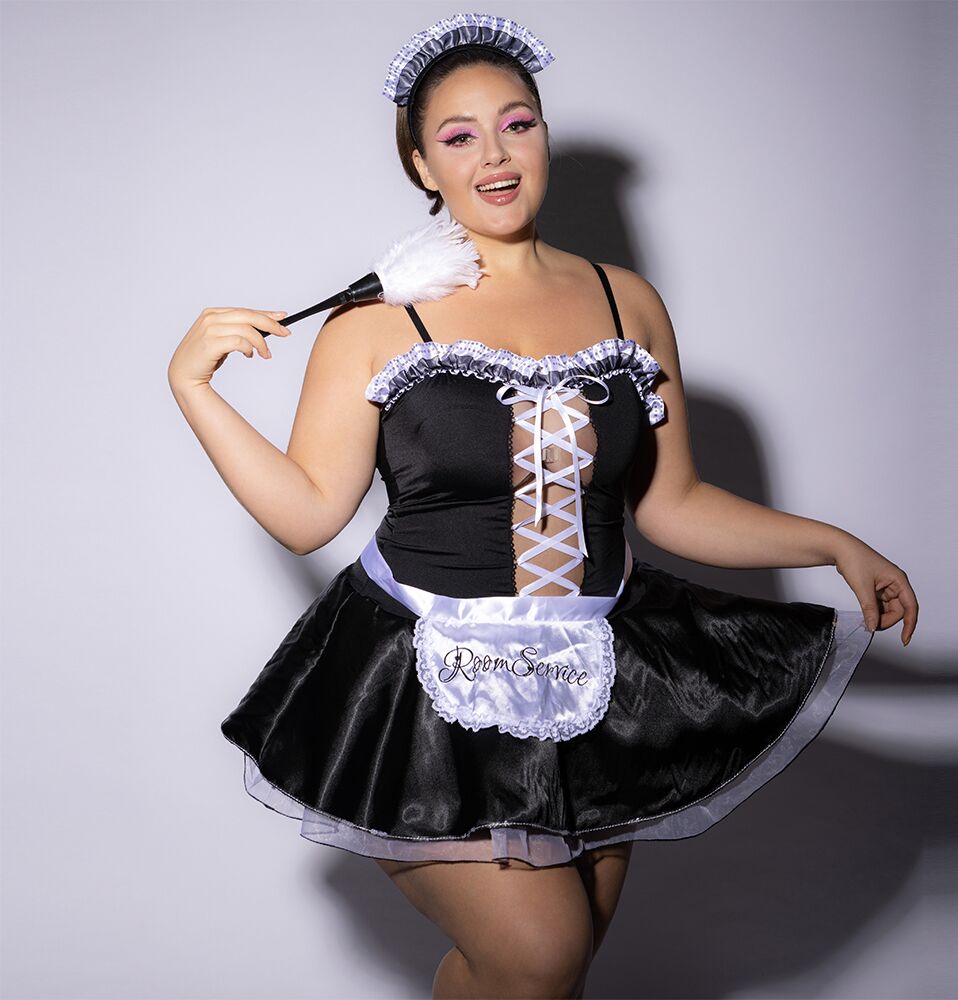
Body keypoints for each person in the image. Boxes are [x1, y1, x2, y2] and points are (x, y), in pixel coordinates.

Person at [167, 13, 919, 999]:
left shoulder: (625, 301)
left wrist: (833, 543)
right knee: (536, 955)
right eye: (459, 135)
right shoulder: (374, 325)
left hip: (597, 676)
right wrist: (193, 388)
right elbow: (309, 514)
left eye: (516, 123)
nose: (495, 153)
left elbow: (673, 504)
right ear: (420, 163)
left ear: (544, 136)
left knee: (544, 979)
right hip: (433, 680)